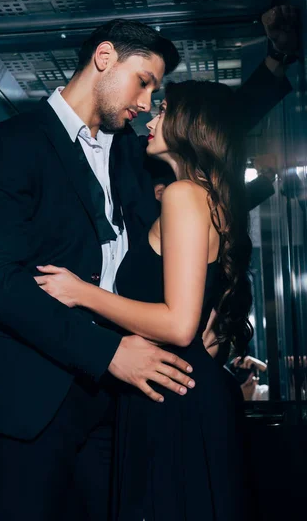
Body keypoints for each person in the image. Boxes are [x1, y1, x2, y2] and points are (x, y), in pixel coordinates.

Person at [0, 8, 297, 520]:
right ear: (104, 59)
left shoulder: (133, 153)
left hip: (126, 407)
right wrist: (108, 352)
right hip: (35, 403)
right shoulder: (11, 144)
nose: (147, 105)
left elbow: (212, 125)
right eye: (143, 83)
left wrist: (277, 61)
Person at [35, 79, 255, 520]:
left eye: (166, 109)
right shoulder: (205, 197)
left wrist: (82, 293)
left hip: (176, 397)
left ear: (192, 125)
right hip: (174, 388)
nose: (152, 118)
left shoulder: (184, 195)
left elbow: (178, 325)